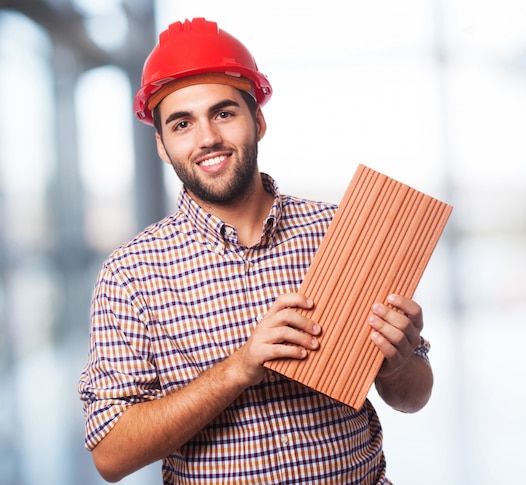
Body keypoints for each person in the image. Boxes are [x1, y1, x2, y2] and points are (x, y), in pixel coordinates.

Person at [78, 18, 433, 485]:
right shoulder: (132, 274)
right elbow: (110, 455)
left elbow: (414, 396)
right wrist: (238, 369)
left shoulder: (341, 231)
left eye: (223, 113)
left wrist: (399, 361)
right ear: (162, 146)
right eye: (182, 124)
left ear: (258, 121)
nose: (207, 138)